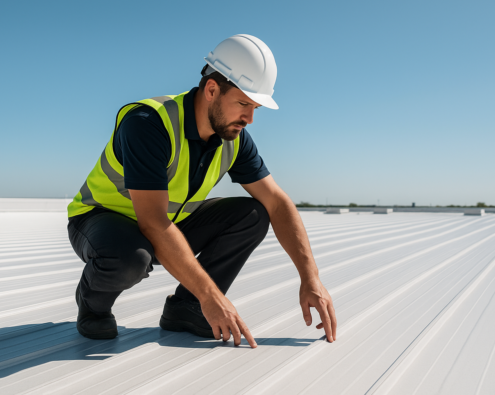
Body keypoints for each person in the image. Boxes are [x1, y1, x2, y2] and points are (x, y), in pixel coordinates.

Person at [67, 34, 337, 348]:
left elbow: (277, 203)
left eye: (255, 107)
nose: (249, 119)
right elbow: (152, 222)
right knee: (130, 257)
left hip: (166, 224)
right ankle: (93, 306)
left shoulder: (234, 138)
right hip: (102, 220)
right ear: (211, 90)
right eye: (243, 104)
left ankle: (185, 308)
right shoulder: (148, 123)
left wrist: (310, 278)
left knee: (253, 214)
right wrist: (211, 296)